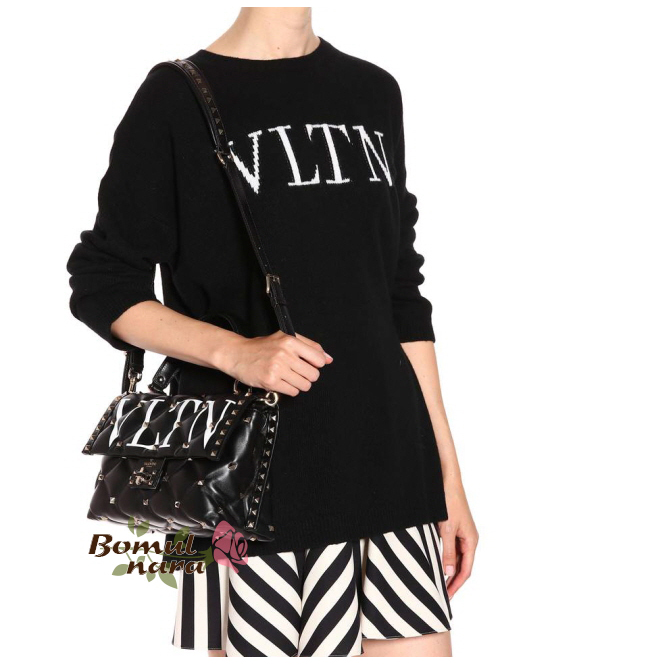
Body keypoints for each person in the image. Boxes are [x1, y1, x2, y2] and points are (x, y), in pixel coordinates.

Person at [67, 7, 478, 658]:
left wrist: (448, 478)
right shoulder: (175, 96)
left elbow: (401, 296)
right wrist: (235, 352)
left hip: (392, 462)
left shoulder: (374, 91)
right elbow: (103, 283)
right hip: (244, 482)